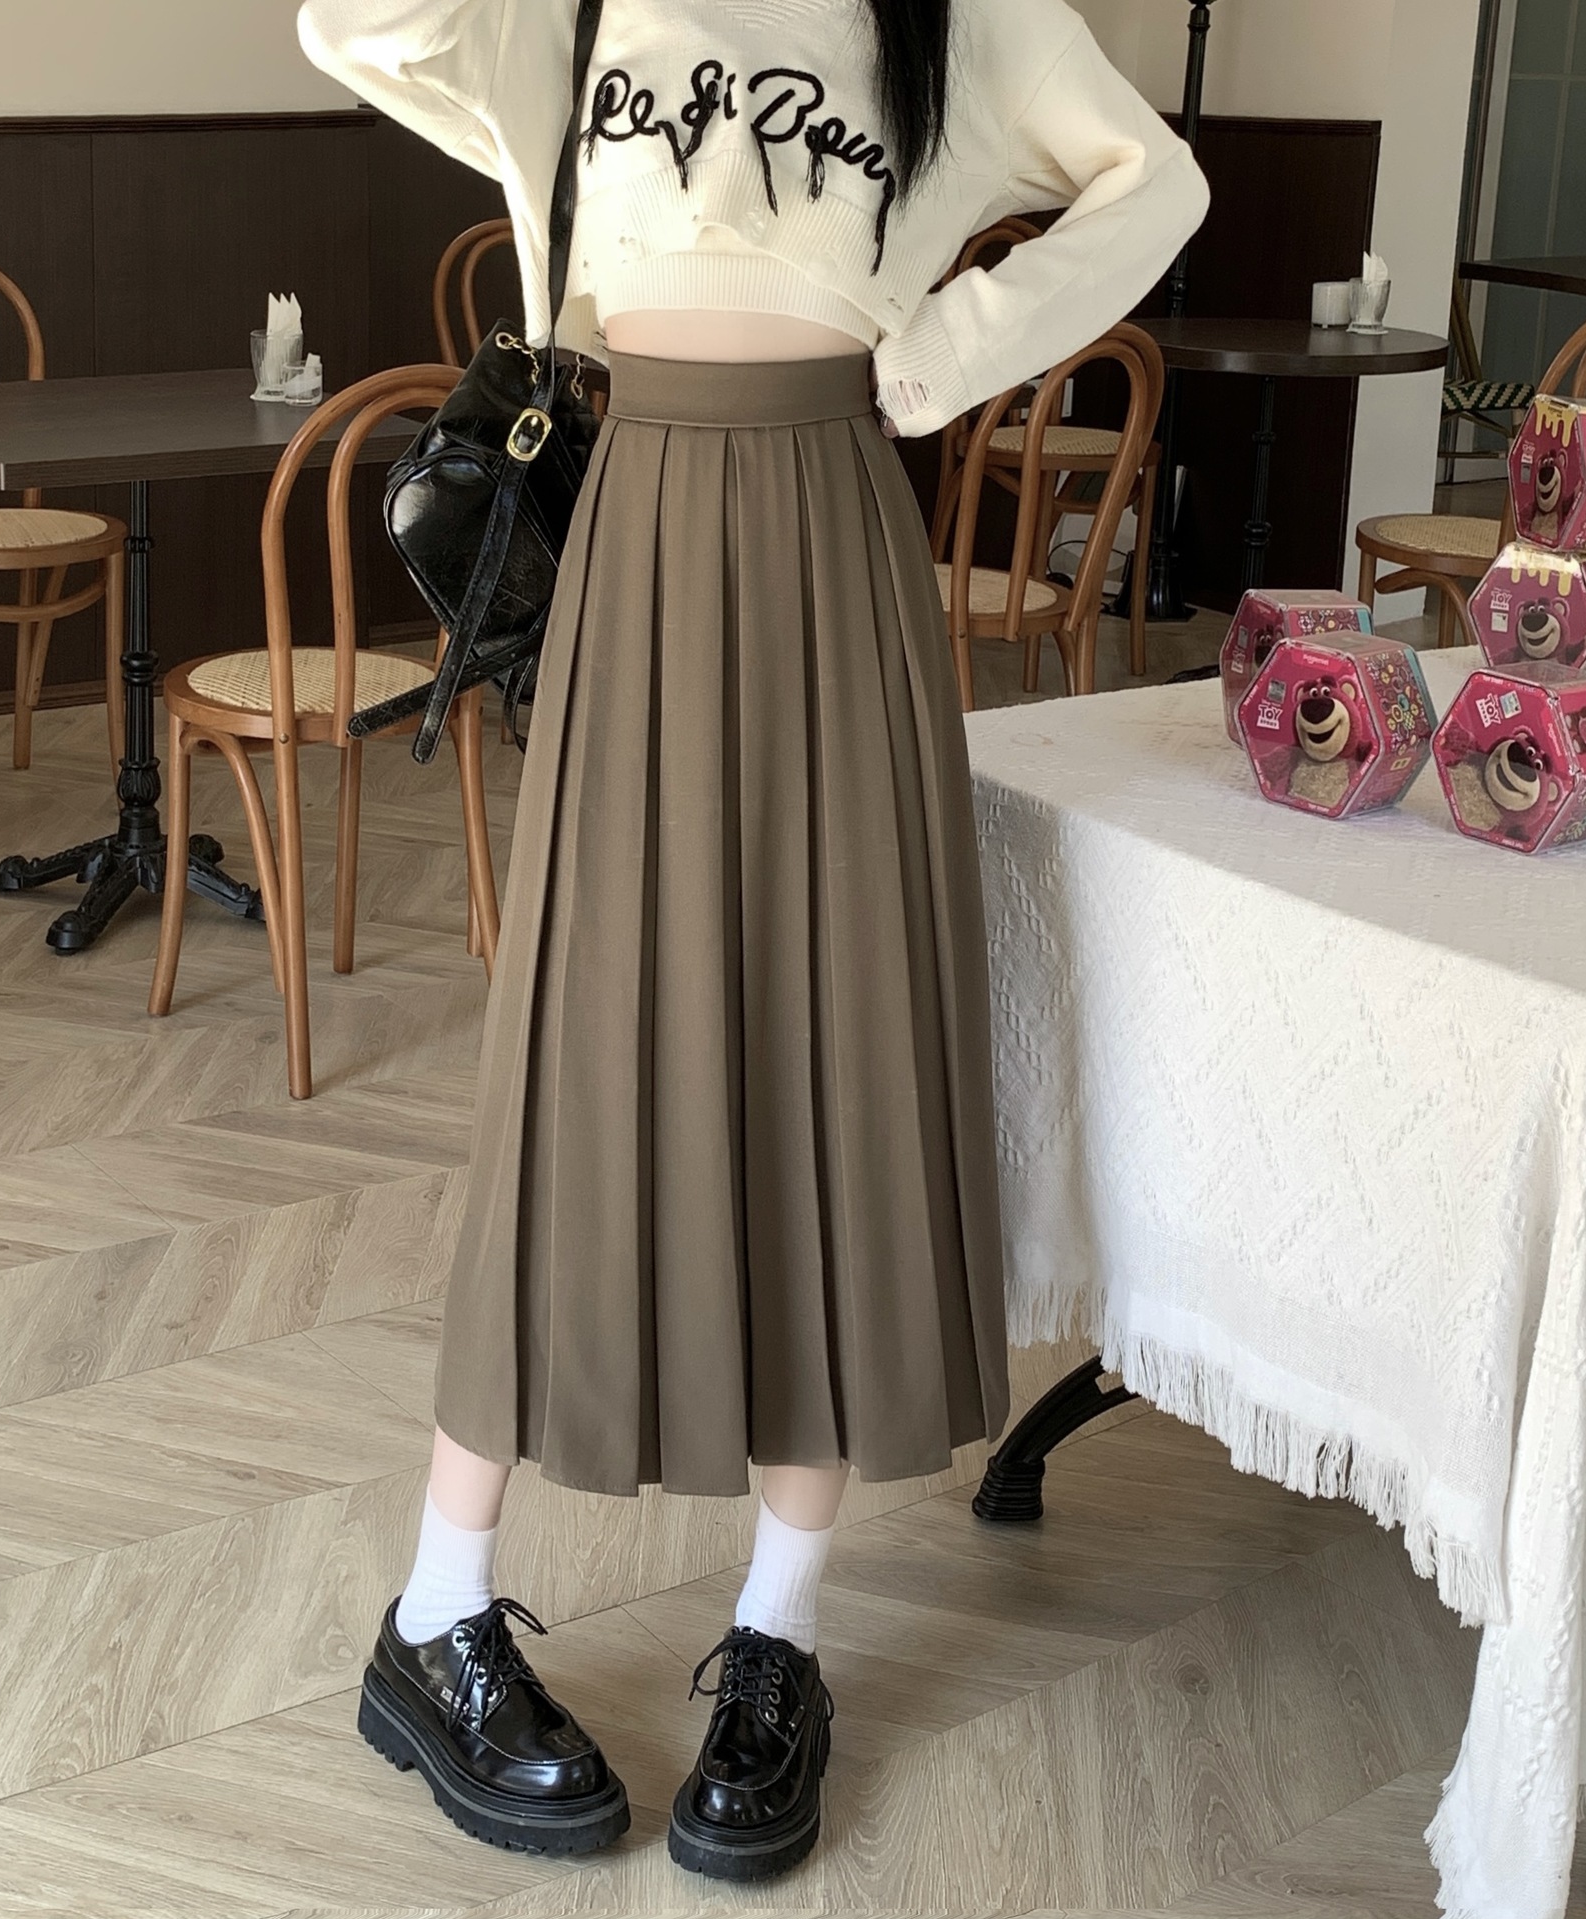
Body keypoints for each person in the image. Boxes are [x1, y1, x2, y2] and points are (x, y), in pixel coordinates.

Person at [299, 0, 1207, 1880]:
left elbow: (1157, 180)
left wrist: (948, 346)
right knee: (574, 1073)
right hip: (631, 542)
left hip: (834, 555)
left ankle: (779, 1638)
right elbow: (355, 21)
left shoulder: (958, 21)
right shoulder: (572, 9)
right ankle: (434, 1614)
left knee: (832, 1053)